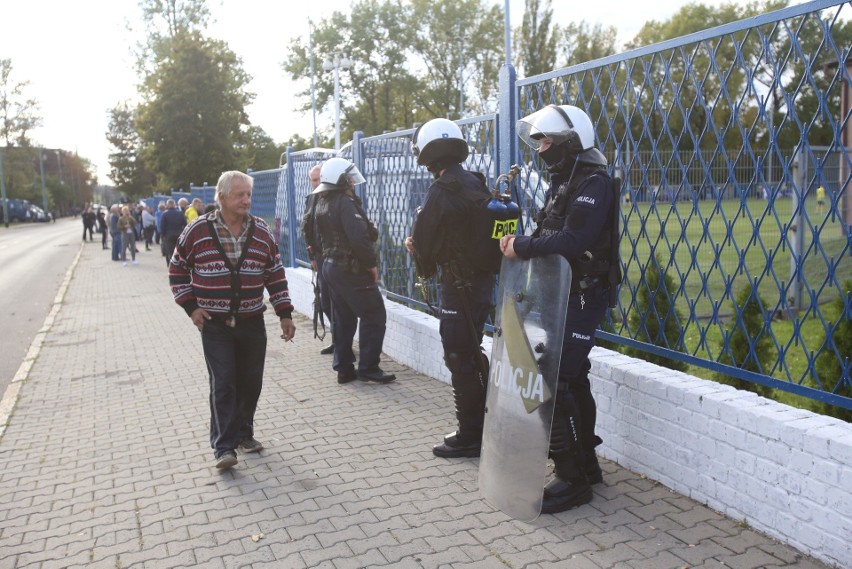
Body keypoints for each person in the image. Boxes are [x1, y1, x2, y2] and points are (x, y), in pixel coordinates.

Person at [499, 104, 620, 514]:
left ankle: (572, 478)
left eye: (547, 140)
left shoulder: (594, 183)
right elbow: (548, 230)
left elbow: (572, 240)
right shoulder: (564, 181)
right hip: (560, 292)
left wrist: (525, 246)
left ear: (570, 142)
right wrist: (518, 243)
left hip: (585, 292)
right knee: (573, 377)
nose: (541, 148)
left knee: (559, 381)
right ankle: (587, 464)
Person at [169, 170, 296, 470]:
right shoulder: (197, 230)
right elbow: (177, 270)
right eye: (239, 194)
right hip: (215, 324)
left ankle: (243, 433)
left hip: (252, 322)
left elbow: (274, 273)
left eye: (248, 194)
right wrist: (191, 307)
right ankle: (224, 447)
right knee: (224, 382)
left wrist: (285, 313)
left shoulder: (262, 231)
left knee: (250, 382)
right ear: (222, 197)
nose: (246, 200)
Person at [404, 118, 495, 459]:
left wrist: (415, 250)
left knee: (459, 355)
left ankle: (471, 434)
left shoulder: (441, 192)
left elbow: (425, 246)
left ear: (428, 153)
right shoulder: (476, 183)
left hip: (458, 285)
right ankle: (484, 424)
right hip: (482, 282)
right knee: (472, 351)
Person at [310, 158, 395, 385]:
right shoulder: (344, 202)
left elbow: (318, 236)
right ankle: (369, 367)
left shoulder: (322, 201)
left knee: (343, 319)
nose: (353, 183)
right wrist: (371, 265)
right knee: (374, 315)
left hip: (330, 267)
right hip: (350, 269)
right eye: (349, 179)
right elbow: (359, 238)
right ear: (341, 179)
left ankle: (344, 369)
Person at [301, 164, 335, 355]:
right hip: (320, 257)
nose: (316, 184)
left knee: (335, 301)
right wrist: (312, 256)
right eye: (313, 180)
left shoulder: (333, 199)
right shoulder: (311, 199)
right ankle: (337, 340)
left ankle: (341, 342)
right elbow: (308, 227)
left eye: (318, 179)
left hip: (335, 257)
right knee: (325, 301)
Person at [160, 199, 187, 267]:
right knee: (178, 250)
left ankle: (170, 265)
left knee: (169, 251)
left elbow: (162, 226)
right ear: (174, 205)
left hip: (168, 235)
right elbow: (185, 224)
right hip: (179, 234)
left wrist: (162, 235)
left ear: (167, 205)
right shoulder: (180, 213)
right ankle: (178, 264)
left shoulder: (165, 214)